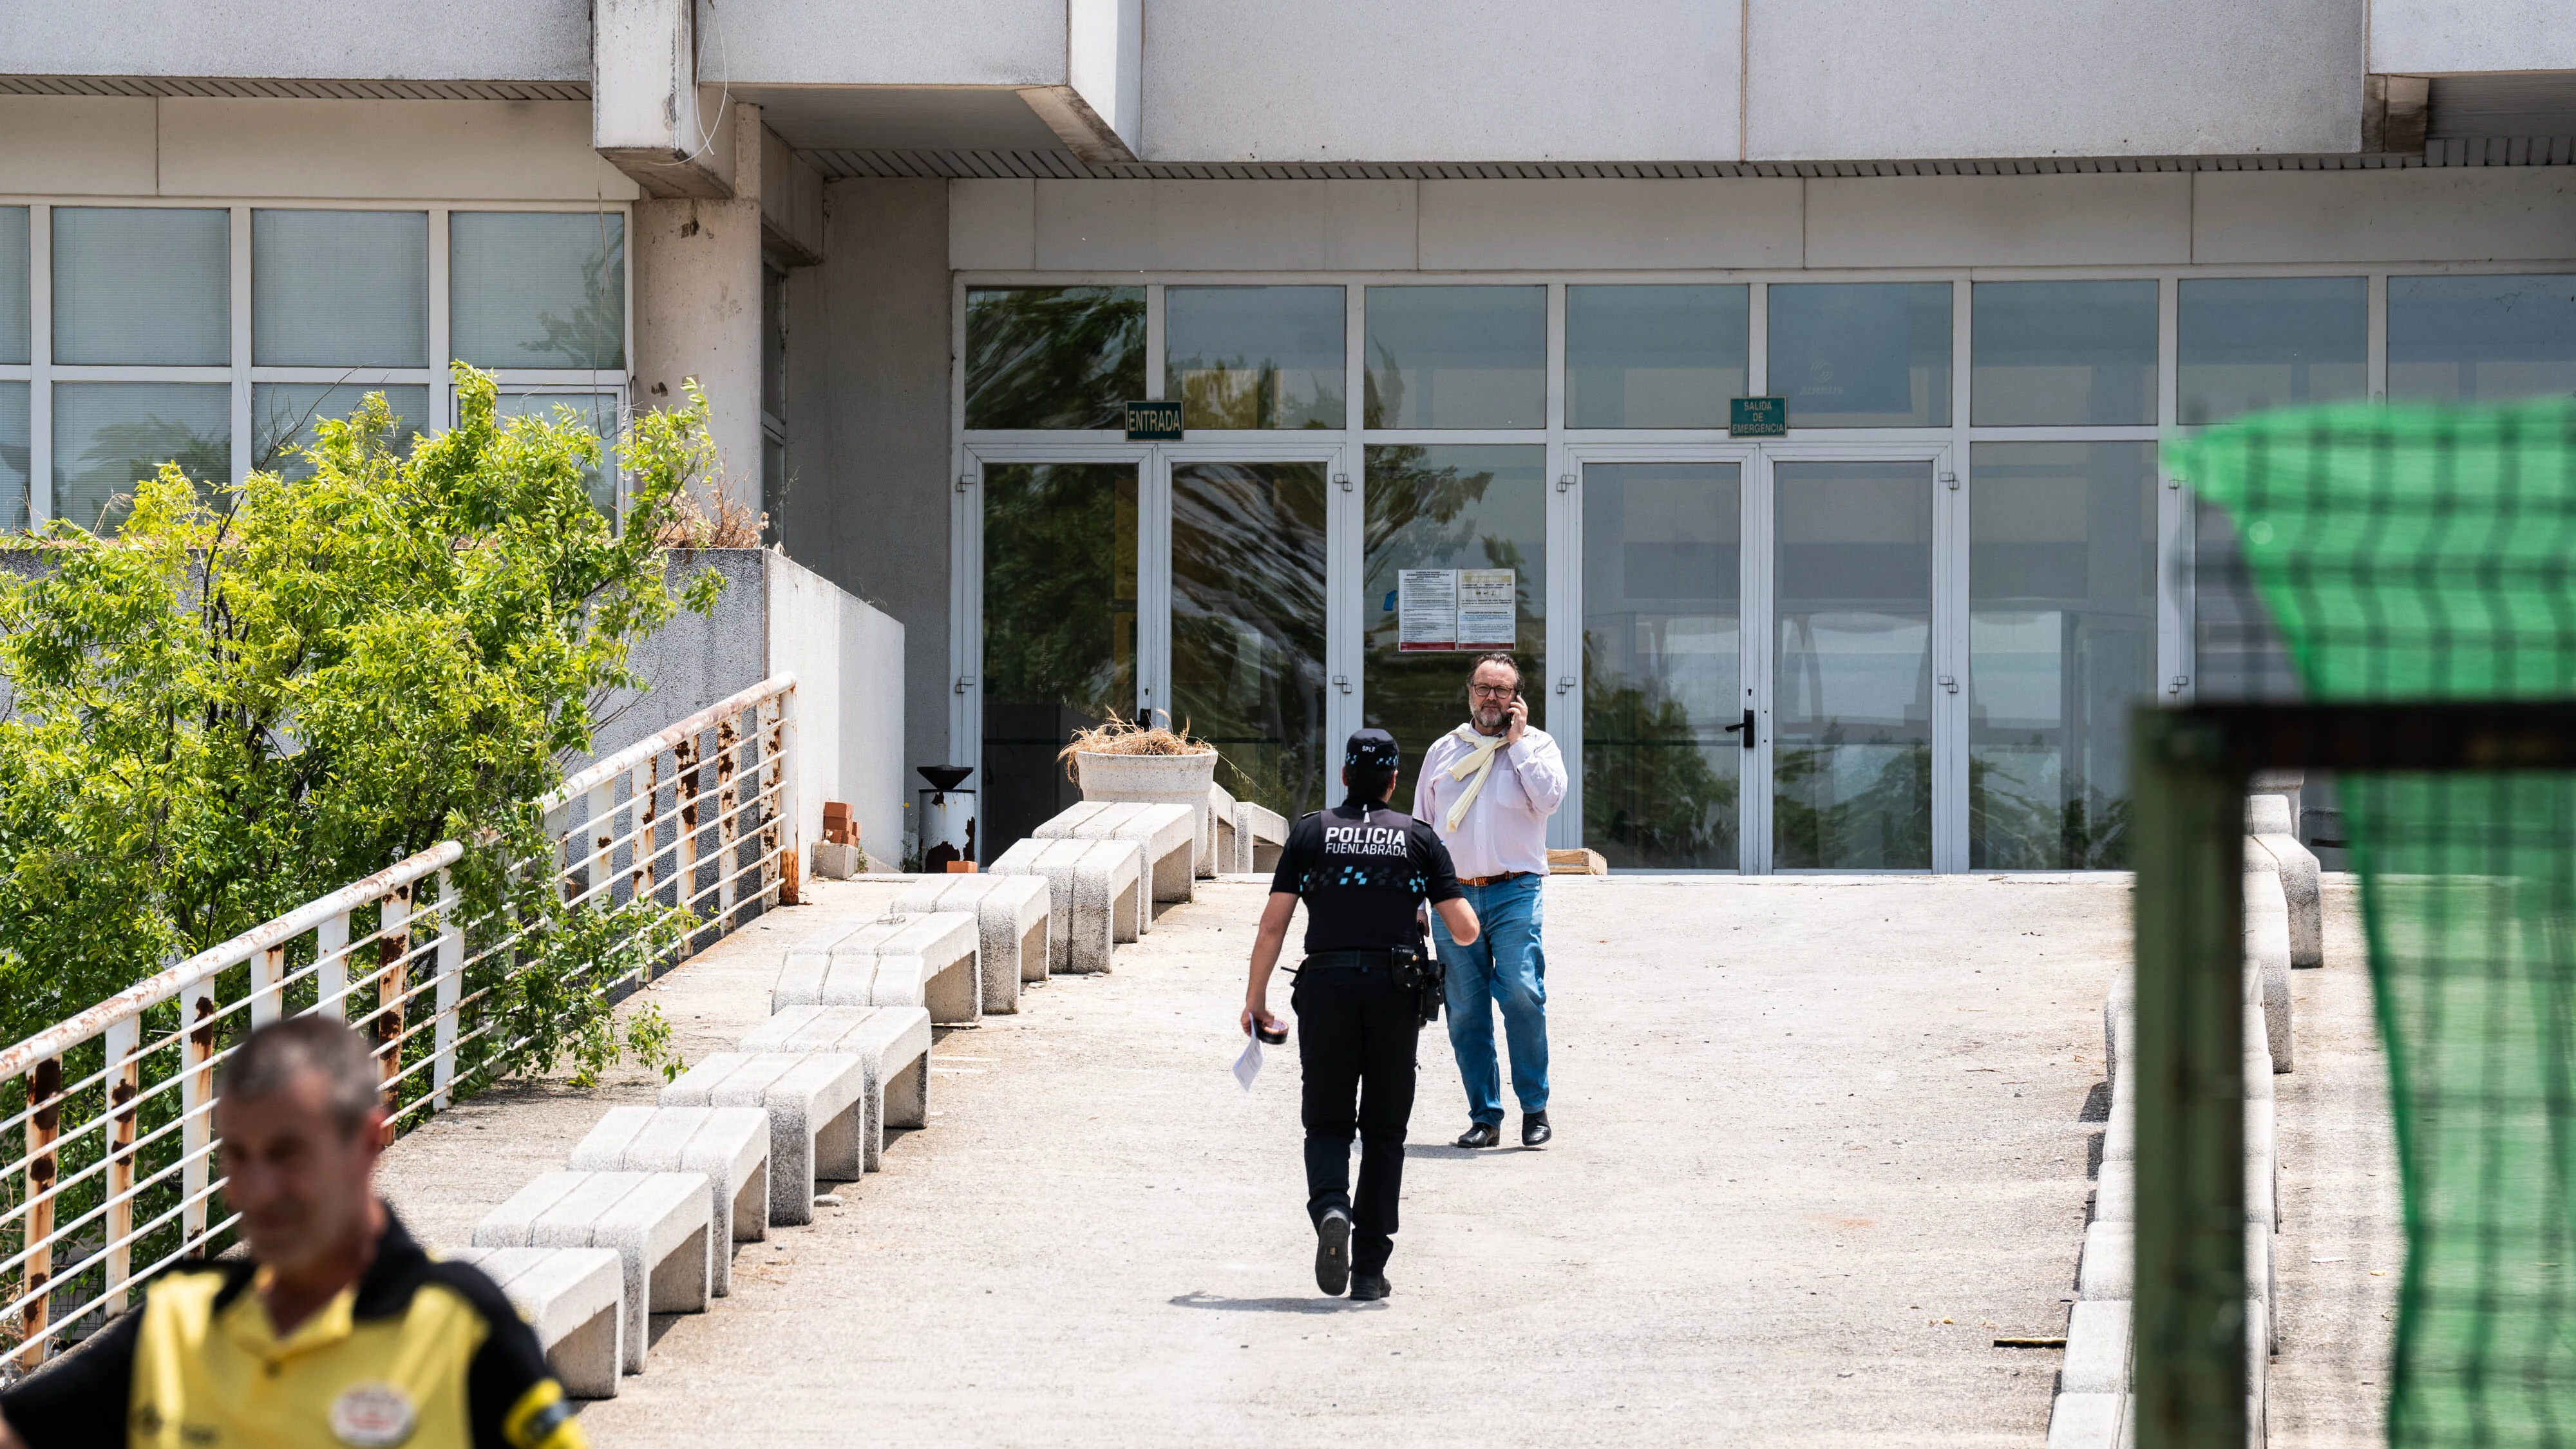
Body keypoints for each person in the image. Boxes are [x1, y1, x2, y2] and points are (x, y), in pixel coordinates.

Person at [0, 1016, 584, 1449]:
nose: (254, 1190)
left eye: (287, 1154)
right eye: (238, 1155)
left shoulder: (463, 1328)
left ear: (368, 1142)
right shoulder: (180, 1321)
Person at [1242, 728, 1481, 1302]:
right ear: (1396, 780)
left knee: (1326, 1122)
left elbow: (1273, 926)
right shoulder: (1418, 840)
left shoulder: (1311, 833)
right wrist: (1418, 908)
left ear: (1345, 777)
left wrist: (1255, 1002)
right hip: (1394, 992)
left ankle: (1331, 1208)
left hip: (1325, 987)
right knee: (1383, 1133)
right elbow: (1467, 930)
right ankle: (1370, 1271)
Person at [1414, 650, 1569, 1150]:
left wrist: (1518, 745)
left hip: (1515, 891)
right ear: (1469, 693)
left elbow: (1549, 801)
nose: (1492, 699)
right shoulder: (1443, 751)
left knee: (1523, 993)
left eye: (1502, 690)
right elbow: (1423, 829)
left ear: (1517, 698)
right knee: (1466, 1010)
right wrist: (1418, 900)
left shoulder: (1539, 747)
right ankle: (1485, 1115)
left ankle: (1534, 1107)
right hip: (1453, 896)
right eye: (1484, 688)